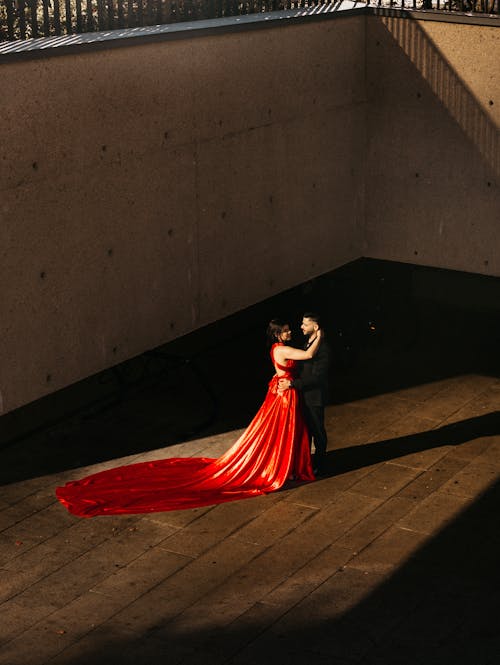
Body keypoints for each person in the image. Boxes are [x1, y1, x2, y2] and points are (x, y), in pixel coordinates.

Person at [55, 319, 321, 517]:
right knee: (281, 431)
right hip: (284, 395)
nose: (290, 332)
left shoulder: (278, 348)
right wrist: (319, 334)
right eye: (286, 330)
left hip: (282, 392)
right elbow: (308, 355)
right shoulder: (282, 350)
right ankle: (284, 466)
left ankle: (287, 465)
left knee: (278, 431)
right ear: (277, 333)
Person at [279, 313, 330, 475]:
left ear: (315, 327)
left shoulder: (323, 349)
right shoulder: (306, 344)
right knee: (305, 433)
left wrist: (292, 384)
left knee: (317, 433)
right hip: (302, 396)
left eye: (305, 324)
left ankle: (320, 466)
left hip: (314, 398)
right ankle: (305, 465)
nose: (301, 327)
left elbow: (317, 377)